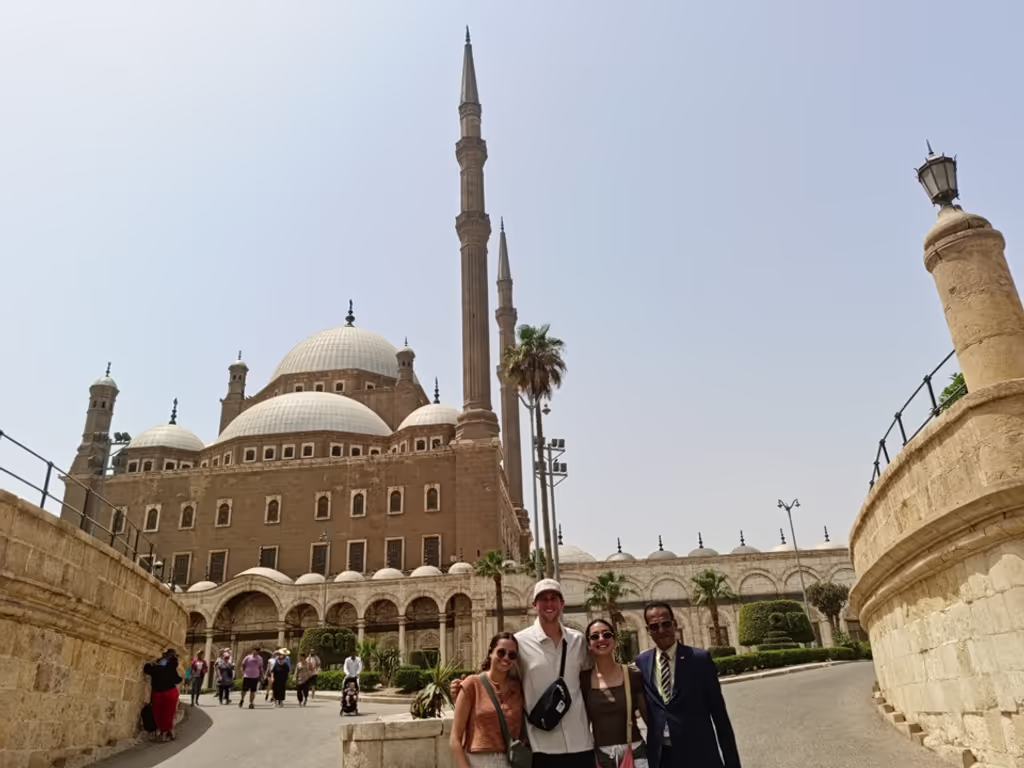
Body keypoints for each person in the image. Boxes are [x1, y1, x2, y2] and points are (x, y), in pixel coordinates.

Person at [453, 579, 593, 768]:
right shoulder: (520, 643)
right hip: (542, 746)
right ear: (534, 604)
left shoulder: (578, 640)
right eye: (543, 599)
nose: (549, 604)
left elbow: (589, 680)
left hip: (580, 741)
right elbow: (500, 678)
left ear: (562, 603)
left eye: (554, 598)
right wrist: (464, 690)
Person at [636, 602, 741, 768]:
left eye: (666, 624)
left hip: (699, 753)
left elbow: (719, 716)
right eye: (655, 627)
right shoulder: (642, 662)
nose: (661, 630)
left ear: (675, 624)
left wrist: (732, 763)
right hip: (662, 757)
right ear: (648, 630)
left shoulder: (699, 659)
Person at [450, 632, 525, 768]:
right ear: (491, 652)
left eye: (512, 655)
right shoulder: (472, 684)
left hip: (511, 761)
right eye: (501, 652)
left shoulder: (518, 689)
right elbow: (455, 739)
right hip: (478, 762)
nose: (506, 658)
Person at [581, 619, 648, 768]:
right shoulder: (584, 680)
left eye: (606, 634)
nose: (601, 639)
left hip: (635, 752)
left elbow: (649, 717)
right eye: (595, 636)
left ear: (614, 640)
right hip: (602, 757)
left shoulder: (632, 674)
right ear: (589, 645)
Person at [144, 649, 182, 742]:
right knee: (167, 714)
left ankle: (165, 732)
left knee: (160, 714)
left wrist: (151, 663)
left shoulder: (158, 667)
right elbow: (177, 679)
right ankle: (169, 731)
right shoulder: (171, 667)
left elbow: (147, 669)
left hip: (161, 693)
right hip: (169, 692)